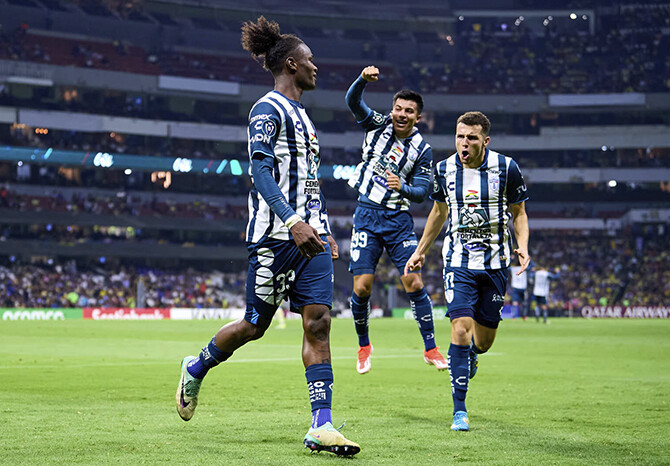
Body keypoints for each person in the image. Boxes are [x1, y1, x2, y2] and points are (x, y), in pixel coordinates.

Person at [175, 16, 360, 457]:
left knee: (318, 323)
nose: (317, 67)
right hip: (276, 237)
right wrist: (292, 220)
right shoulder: (267, 109)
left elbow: (311, 182)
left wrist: (324, 228)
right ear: (292, 64)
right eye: (311, 61)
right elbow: (259, 171)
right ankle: (196, 366)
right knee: (254, 326)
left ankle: (322, 424)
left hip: (311, 239)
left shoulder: (306, 119)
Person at [405, 111, 530, 432]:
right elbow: (438, 212)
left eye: (472, 138)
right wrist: (420, 251)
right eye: (460, 136)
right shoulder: (444, 169)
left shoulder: (506, 168)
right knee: (460, 328)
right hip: (458, 263)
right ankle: (459, 410)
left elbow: (519, 213)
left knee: (484, 342)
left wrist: (523, 245)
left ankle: (473, 354)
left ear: (485, 141)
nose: (464, 143)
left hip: (495, 266)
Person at [345, 65, 447, 374]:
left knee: (412, 281)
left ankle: (430, 348)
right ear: (392, 110)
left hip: (398, 220)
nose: (402, 114)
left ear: (418, 117)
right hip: (366, 214)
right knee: (362, 287)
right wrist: (362, 80)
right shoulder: (377, 125)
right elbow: (353, 102)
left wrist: (401, 186)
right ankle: (364, 345)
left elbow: (421, 193)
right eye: (398, 108)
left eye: (409, 111)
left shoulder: (422, 151)